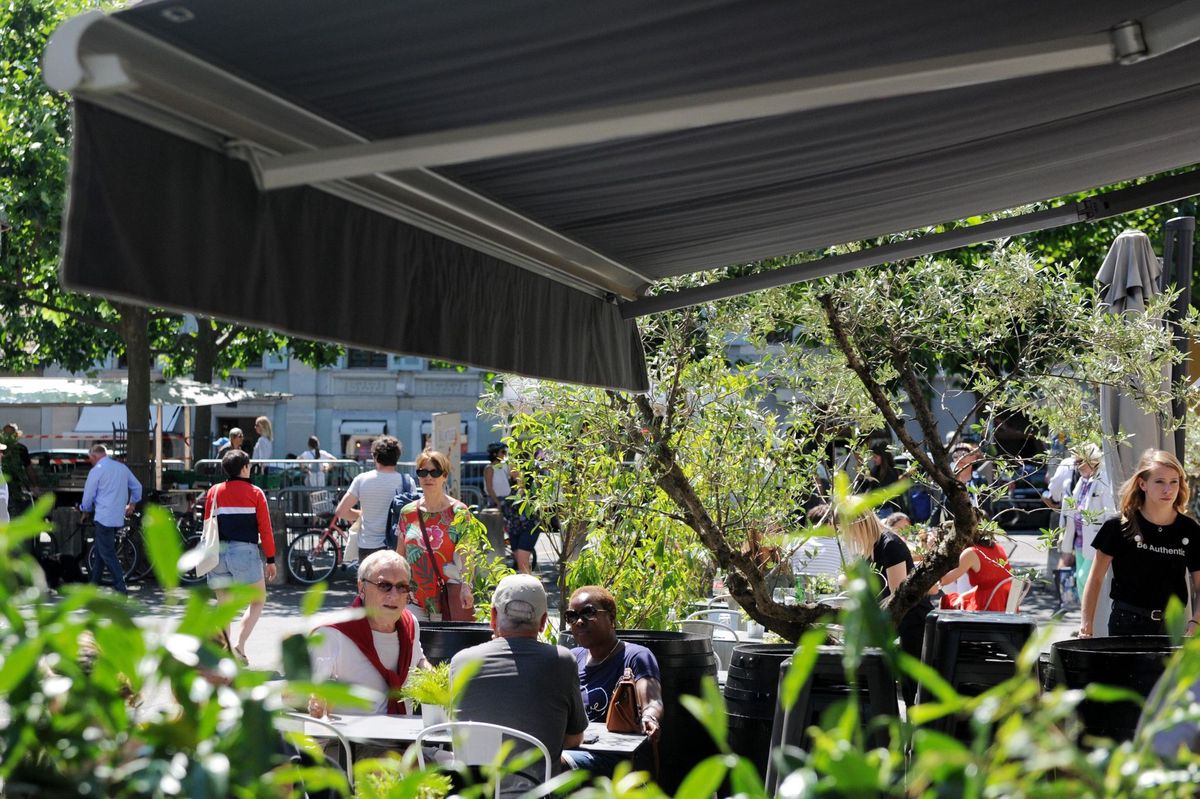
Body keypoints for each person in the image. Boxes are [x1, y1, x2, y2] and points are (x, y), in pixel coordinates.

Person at [451, 574, 587, 775]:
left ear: (493, 616)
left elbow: (458, 731)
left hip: (475, 791)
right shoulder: (562, 661)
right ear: (543, 622)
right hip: (538, 792)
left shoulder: (461, 661)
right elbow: (574, 738)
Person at [1080, 449, 1200, 638]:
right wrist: (1086, 625)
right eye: (1159, 481)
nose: (1168, 490)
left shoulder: (1190, 529)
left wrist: (1196, 621)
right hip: (1125, 624)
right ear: (1142, 483)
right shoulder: (1118, 525)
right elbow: (1095, 579)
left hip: (1173, 629)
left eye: (1174, 482)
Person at [308, 550, 430, 716]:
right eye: (384, 586)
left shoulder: (410, 624)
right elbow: (299, 692)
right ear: (361, 588)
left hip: (405, 737)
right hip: (348, 739)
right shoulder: (331, 633)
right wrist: (316, 702)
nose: (393, 595)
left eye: (402, 587)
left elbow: (418, 661)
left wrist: (440, 680)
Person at [562, 585, 663, 775]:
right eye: (572, 616)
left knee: (552, 765)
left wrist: (650, 717)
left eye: (588, 613)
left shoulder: (635, 656)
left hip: (614, 757)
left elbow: (652, 700)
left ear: (611, 617)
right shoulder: (571, 658)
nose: (579, 622)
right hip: (573, 747)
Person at [840, 505, 932, 704]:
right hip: (893, 622)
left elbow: (898, 595)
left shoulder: (890, 545)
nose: (848, 537)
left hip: (913, 621)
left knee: (912, 685)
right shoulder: (870, 547)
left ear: (858, 526)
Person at [203, 448, 277, 661]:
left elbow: (208, 524)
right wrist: (270, 559)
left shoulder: (214, 491)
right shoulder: (255, 493)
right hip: (244, 552)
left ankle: (223, 653)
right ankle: (240, 647)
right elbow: (265, 529)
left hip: (217, 553)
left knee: (223, 606)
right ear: (244, 468)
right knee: (258, 600)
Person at [396, 449, 483, 620]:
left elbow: (468, 554)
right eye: (423, 472)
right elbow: (400, 555)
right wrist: (397, 588)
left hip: (449, 596)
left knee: (448, 645)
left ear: (444, 476)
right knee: (415, 643)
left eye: (435, 472)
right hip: (413, 597)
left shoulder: (459, 512)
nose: (428, 477)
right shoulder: (408, 512)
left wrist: (467, 587)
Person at [329, 436, 410, 562]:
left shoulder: (362, 479)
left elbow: (341, 511)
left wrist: (362, 514)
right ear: (397, 457)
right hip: (398, 547)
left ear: (375, 456)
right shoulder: (407, 482)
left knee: (368, 581)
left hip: (368, 546)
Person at [78, 444, 142, 595]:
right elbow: (137, 487)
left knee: (107, 553)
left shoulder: (97, 471)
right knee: (101, 551)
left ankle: (121, 587)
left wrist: (84, 510)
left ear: (94, 456)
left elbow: (88, 495)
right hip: (117, 516)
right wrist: (132, 503)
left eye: (90, 459)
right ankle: (93, 585)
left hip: (103, 516)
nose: (90, 462)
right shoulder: (122, 468)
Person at [1058, 443, 1115, 600]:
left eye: (1080, 461)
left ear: (1092, 460)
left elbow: (1110, 514)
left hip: (1096, 543)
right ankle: (1086, 620)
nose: (1077, 466)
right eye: (1076, 461)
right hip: (1080, 542)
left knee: (1085, 578)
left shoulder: (1103, 479)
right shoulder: (1082, 481)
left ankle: (1093, 619)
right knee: (1081, 583)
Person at [486, 443, 540, 574]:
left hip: (519, 514)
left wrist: (520, 491)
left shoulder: (510, 467)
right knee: (517, 552)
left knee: (522, 556)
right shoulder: (490, 468)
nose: (505, 455)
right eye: (502, 452)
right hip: (505, 510)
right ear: (495, 454)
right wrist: (497, 502)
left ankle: (528, 581)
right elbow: (489, 487)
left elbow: (520, 481)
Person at [938, 529, 1014, 611]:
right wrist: (964, 595)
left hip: (985, 607)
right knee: (955, 597)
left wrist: (940, 554)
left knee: (946, 600)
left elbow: (944, 580)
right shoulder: (997, 547)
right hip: (1003, 604)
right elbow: (990, 584)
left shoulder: (970, 552)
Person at [1, 422, 38, 516]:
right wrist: (34, 486)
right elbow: (29, 469)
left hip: (16, 489)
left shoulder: (21, 449)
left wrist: (34, 486)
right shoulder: (20, 449)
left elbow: (28, 469)